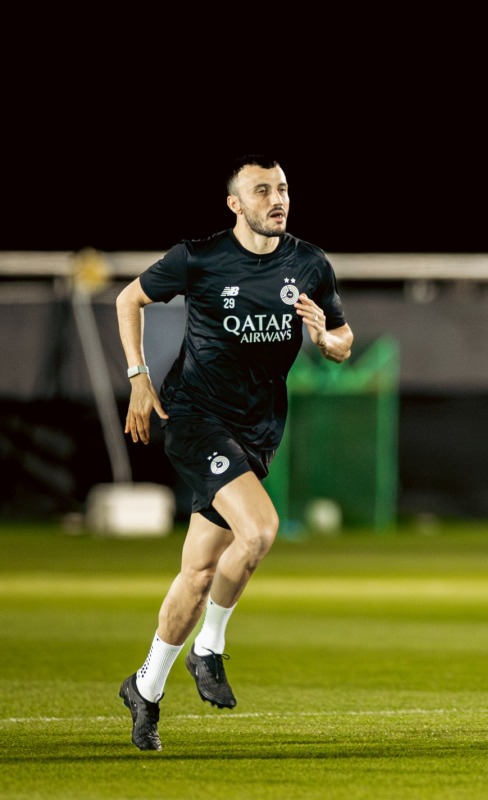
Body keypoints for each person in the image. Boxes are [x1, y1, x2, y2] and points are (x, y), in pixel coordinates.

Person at [114, 155, 353, 750]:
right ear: (235, 204)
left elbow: (344, 340)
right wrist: (138, 376)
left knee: (195, 576)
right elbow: (127, 300)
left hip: (257, 432)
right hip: (195, 420)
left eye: (284, 189)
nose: (278, 199)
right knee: (262, 529)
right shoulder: (198, 257)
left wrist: (326, 337)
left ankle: (145, 687)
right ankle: (209, 650)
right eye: (263, 190)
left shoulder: (309, 263)